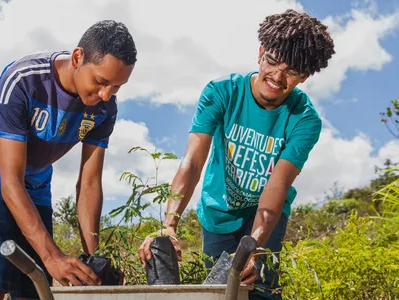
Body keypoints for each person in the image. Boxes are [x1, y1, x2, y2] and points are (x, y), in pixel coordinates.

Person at [138, 9, 335, 300]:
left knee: (259, 290)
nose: (277, 77)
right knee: (220, 292)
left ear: (303, 77)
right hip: (219, 212)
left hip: (266, 213)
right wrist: (169, 225)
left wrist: (254, 245)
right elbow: (192, 162)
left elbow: (277, 185)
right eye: (272, 61)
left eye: (291, 71)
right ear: (260, 53)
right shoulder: (222, 92)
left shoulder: (304, 120)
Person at [0, 20, 137, 299]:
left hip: (36, 178)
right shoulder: (24, 79)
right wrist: (53, 256)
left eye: (116, 87)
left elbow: (89, 184)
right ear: (78, 58)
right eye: (101, 81)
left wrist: (96, 263)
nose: (106, 94)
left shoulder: (104, 108)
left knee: (36, 288)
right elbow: (11, 181)